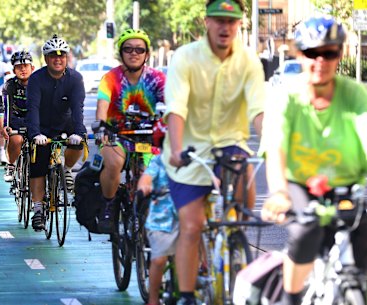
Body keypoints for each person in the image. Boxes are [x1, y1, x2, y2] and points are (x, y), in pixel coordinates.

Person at [161, 1, 266, 304]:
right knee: (192, 226)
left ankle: (234, 238)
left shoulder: (249, 61)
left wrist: (271, 144)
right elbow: (177, 108)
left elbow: (259, 109)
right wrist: (177, 148)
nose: (225, 27)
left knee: (245, 176)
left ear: (240, 24)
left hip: (230, 142)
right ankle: (187, 294)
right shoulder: (185, 57)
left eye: (231, 21)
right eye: (219, 20)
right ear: (206, 22)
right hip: (189, 149)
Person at [260, 16, 367, 305]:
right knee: (305, 230)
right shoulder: (286, 96)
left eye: (329, 53)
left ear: (340, 55)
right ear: (299, 54)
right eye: (311, 53)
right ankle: (290, 298)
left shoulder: (356, 94)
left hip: (352, 184)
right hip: (300, 184)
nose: (320, 60)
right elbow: (277, 148)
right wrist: (280, 193)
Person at [93, 28, 166, 233]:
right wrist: (101, 125)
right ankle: (108, 205)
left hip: (146, 138)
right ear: (121, 53)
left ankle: (145, 216)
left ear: (147, 54)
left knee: (151, 173)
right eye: (128, 49)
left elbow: (174, 104)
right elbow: (102, 106)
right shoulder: (110, 78)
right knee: (115, 162)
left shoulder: (157, 78)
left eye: (139, 50)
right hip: (114, 135)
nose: (134, 53)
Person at [26, 34, 86, 231]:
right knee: (39, 161)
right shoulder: (36, 79)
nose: (58, 59)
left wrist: (78, 132)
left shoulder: (76, 78)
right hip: (41, 126)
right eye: (53, 55)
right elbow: (32, 108)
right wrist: (35, 134)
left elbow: (78, 108)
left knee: (79, 141)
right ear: (45, 58)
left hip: (65, 122)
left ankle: (67, 169)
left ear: (67, 58)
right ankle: (37, 209)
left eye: (62, 55)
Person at [137, 148, 178, 305]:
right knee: (159, 259)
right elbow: (147, 177)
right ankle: (153, 300)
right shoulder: (160, 160)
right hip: (162, 219)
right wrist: (144, 187)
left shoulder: (197, 159)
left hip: (187, 217)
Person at [3, 50, 35, 181]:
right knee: (16, 140)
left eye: (26, 66)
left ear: (32, 68)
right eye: (19, 67)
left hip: (34, 118)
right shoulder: (9, 85)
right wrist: (7, 126)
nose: (23, 69)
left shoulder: (39, 83)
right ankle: (11, 165)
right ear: (13, 70)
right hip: (16, 118)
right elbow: (7, 107)